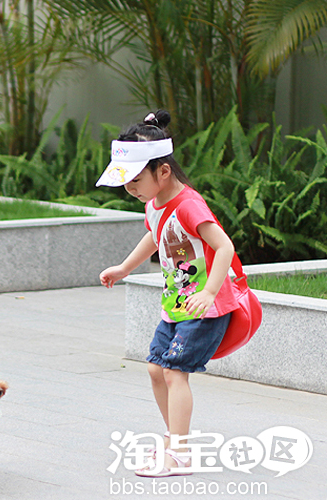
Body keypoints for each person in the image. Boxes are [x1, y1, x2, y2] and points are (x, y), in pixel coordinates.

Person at [96, 110, 238, 477]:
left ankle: (179, 454)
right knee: (156, 369)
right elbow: (155, 235)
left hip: (204, 307)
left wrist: (209, 292)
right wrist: (125, 267)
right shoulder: (154, 203)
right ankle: (175, 438)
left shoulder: (189, 205)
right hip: (176, 304)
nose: (130, 190)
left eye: (135, 180)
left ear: (163, 171)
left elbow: (224, 247)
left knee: (174, 373)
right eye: (125, 183)